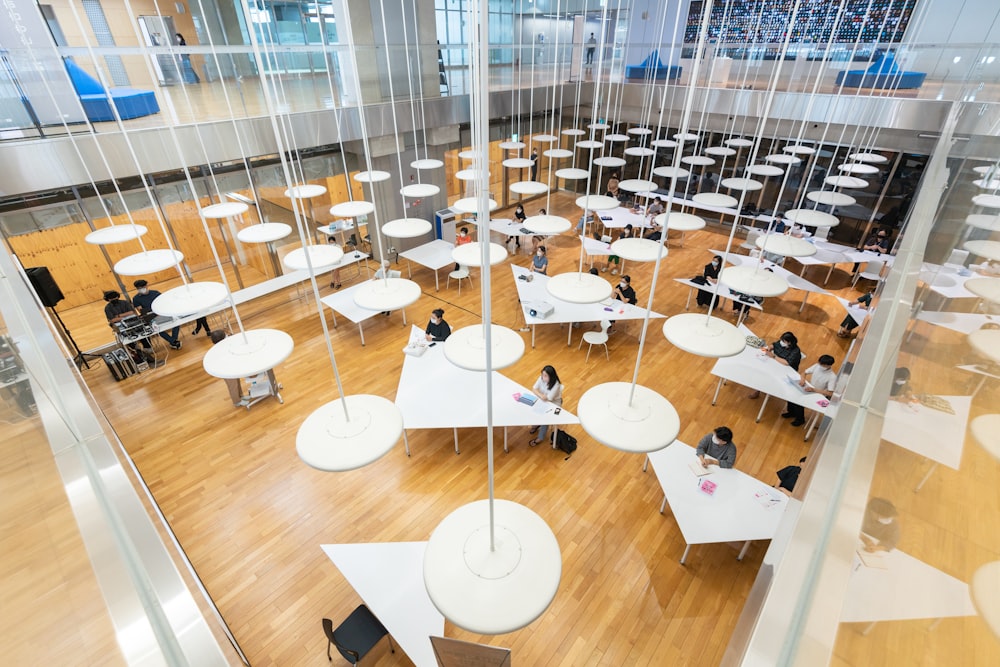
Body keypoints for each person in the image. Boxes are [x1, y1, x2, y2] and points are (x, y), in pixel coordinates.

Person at [785, 354, 837, 427]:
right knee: (792, 396)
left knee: (799, 403)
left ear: (829, 365)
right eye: (820, 363)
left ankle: (800, 419)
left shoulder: (832, 377)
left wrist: (814, 390)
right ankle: (791, 412)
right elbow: (804, 372)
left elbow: (830, 393)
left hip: (819, 394)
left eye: (822, 364)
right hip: (809, 389)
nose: (820, 365)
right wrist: (803, 379)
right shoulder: (817, 366)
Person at [749, 331, 801, 399]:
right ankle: (758, 389)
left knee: (769, 377)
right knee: (762, 372)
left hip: (786, 368)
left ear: (789, 342)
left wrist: (773, 357)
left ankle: (768, 390)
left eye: (783, 341)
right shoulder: (782, 342)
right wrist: (769, 348)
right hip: (775, 362)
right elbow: (774, 345)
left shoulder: (796, 351)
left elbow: (787, 362)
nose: (781, 342)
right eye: (781, 340)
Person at [131, 280, 181, 349]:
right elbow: (141, 311)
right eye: (139, 288)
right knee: (157, 329)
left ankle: (173, 341)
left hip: (162, 313)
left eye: (142, 287)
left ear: (146, 286)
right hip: (151, 317)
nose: (141, 289)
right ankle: (173, 342)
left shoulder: (155, 293)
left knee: (176, 323)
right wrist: (154, 313)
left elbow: (164, 303)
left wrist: (161, 311)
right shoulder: (136, 299)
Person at [103, 289, 153, 355]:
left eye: (115, 297)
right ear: (108, 299)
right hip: (121, 326)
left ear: (117, 296)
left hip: (133, 321)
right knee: (127, 338)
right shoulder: (107, 308)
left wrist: (118, 316)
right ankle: (137, 351)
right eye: (111, 298)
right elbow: (112, 320)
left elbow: (132, 312)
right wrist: (125, 316)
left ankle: (147, 347)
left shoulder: (125, 302)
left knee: (142, 330)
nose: (114, 299)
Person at [528, 365, 562, 446]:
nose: (543, 377)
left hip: (554, 403)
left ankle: (540, 437)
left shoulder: (556, 385)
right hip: (543, 400)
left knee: (546, 418)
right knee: (534, 408)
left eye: (545, 376)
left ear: (551, 376)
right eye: (542, 375)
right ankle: (536, 424)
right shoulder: (541, 378)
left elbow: (548, 398)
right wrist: (541, 395)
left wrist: (540, 395)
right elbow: (534, 389)